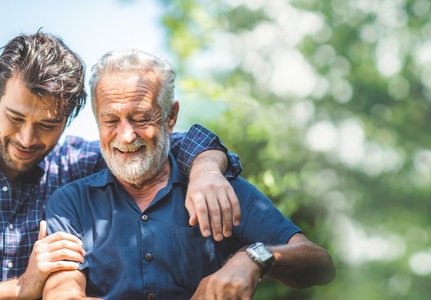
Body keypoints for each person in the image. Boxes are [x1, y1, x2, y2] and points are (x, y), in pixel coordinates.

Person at [43, 49, 335, 299]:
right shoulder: (71, 202)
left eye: (141, 118)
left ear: (170, 117)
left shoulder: (217, 188)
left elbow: (320, 263)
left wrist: (254, 257)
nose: (126, 135)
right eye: (110, 120)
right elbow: (61, 292)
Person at [0, 33, 244, 299]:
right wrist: (21, 286)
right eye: (14, 117)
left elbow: (163, 143)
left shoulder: (74, 163)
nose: (27, 138)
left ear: (67, 119)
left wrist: (205, 169)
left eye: (48, 125)